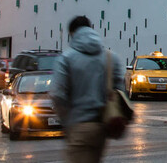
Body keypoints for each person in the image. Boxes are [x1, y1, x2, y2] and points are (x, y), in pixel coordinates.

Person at [51, 15, 124, 163]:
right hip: (102, 128)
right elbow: (120, 91)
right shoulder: (111, 58)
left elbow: (57, 94)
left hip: (78, 126)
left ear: (72, 33)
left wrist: (66, 121)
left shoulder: (66, 58)